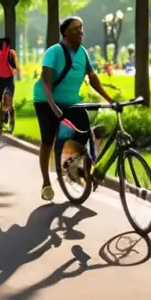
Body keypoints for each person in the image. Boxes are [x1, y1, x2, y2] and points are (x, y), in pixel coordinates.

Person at [33, 16, 114, 202]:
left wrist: (110, 99)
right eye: (76, 28)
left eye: (81, 28)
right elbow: (46, 81)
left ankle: (72, 166)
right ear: (65, 32)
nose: (80, 31)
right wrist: (53, 107)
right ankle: (46, 183)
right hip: (46, 101)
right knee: (48, 140)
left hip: (71, 102)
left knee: (84, 134)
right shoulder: (53, 52)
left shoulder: (83, 53)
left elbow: (93, 79)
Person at [0, 37, 20, 119]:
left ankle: (9, 111)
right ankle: (4, 112)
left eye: (4, 43)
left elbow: (15, 64)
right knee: (0, 98)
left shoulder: (11, 53)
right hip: (1, 78)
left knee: (8, 97)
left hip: (8, 78)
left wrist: (16, 69)